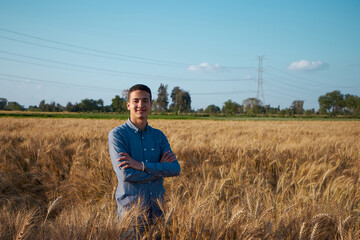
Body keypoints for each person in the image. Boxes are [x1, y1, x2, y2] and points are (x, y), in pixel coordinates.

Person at [108, 84, 181, 226]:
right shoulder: (117, 135)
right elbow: (125, 174)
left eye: (145, 101)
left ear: (151, 105)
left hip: (158, 211)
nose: (141, 105)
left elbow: (175, 169)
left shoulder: (159, 136)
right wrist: (159, 169)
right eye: (136, 101)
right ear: (128, 105)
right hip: (131, 214)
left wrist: (140, 166)